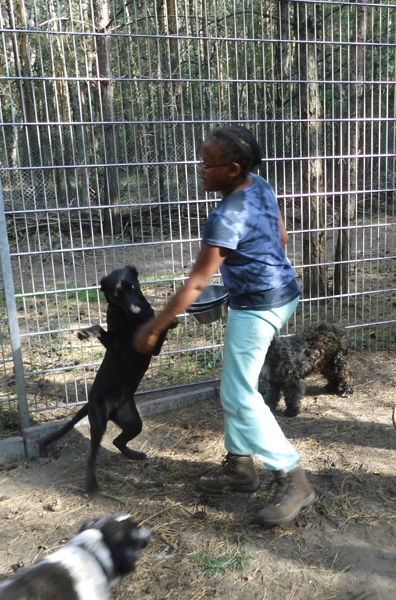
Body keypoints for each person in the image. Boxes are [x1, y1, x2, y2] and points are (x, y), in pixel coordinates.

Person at [133, 125, 315, 527]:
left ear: (232, 169)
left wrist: (155, 326)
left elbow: (198, 283)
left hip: (258, 305)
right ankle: (239, 466)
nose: (200, 170)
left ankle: (294, 479)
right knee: (238, 382)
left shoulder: (226, 216)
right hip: (283, 291)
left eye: (207, 164)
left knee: (237, 393)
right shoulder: (258, 184)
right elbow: (282, 236)